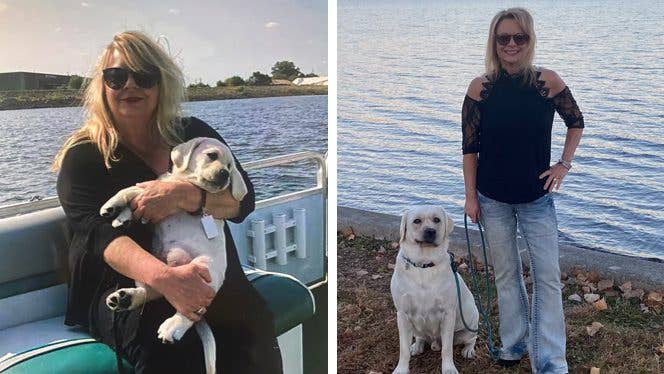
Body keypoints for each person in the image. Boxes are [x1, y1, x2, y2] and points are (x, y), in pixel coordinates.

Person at [53, 31, 282, 373]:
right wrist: (166, 279)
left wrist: (187, 196)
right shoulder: (84, 156)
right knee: (171, 351)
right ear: (103, 86)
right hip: (128, 285)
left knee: (254, 331)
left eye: (144, 75)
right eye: (117, 76)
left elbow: (243, 201)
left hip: (209, 273)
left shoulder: (192, 133)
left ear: (162, 82)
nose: (130, 85)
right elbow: (98, 235)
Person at [461, 8, 584, 374]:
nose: (511, 44)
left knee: (547, 277)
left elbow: (576, 121)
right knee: (506, 274)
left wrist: (564, 164)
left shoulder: (547, 82)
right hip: (491, 197)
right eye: (504, 38)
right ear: (494, 43)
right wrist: (470, 197)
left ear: (529, 41)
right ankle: (513, 345)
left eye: (520, 37)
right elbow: (469, 148)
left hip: (537, 199)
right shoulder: (479, 87)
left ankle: (549, 361)